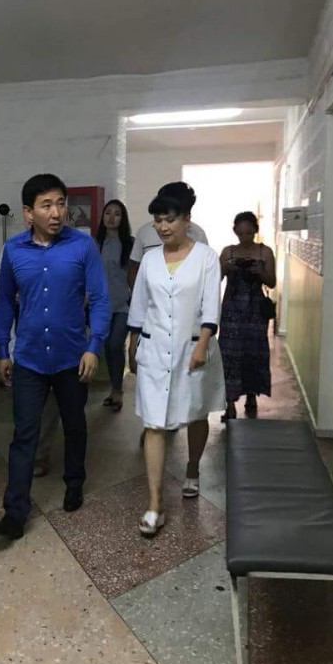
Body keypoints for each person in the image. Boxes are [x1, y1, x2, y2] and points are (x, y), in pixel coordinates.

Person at [0, 173, 111, 540]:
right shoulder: (13, 250)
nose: (57, 212)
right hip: (28, 357)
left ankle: (74, 483)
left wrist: (93, 347)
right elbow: (4, 303)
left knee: (74, 425)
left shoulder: (82, 246)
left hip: (72, 357)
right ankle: (14, 513)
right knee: (24, 434)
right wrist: (2, 349)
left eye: (61, 203)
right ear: (28, 212)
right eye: (47, 205)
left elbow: (100, 299)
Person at [128, 185, 225, 537]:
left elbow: (210, 306)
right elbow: (140, 306)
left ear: (187, 220)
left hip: (193, 348)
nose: (163, 227)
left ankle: (193, 468)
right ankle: (155, 505)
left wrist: (202, 345)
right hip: (154, 350)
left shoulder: (206, 257)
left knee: (196, 413)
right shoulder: (151, 259)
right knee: (154, 423)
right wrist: (133, 344)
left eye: (169, 219)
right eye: (157, 220)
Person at [0, 251, 59, 476]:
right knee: (26, 404)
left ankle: (41, 453)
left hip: (57, 340)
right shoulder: (14, 249)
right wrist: (20, 291)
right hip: (23, 340)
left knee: (51, 401)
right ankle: (26, 452)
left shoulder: (69, 247)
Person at [219, 211, 276, 420]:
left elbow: (272, 282)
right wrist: (226, 267)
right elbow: (215, 277)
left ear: (255, 231)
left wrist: (260, 272)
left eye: (249, 233)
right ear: (235, 231)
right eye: (240, 233)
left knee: (254, 352)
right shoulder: (228, 252)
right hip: (232, 310)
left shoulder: (265, 252)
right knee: (229, 354)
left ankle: (252, 395)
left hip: (255, 311)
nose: (244, 237)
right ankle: (230, 403)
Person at [127, 181, 208, 289]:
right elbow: (134, 267)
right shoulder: (145, 233)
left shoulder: (198, 234)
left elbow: (204, 274)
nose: (164, 228)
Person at [97, 199, 133, 411]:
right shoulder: (96, 243)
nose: (111, 217)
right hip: (101, 306)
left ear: (122, 219)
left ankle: (118, 390)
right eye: (108, 212)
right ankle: (114, 387)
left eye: (117, 214)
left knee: (115, 345)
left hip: (124, 305)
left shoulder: (129, 244)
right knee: (107, 348)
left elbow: (135, 275)